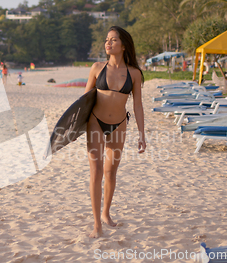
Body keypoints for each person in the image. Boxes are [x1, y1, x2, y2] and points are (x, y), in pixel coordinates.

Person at [83, 26, 146, 238]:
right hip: (95, 123)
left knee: (110, 172)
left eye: (113, 40)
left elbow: (137, 105)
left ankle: (105, 214)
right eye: (107, 40)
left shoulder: (134, 73)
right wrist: (73, 128)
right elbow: (83, 101)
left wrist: (142, 134)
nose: (108, 43)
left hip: (119, 125)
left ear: (124, 45)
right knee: (96, 172)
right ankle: (96, 225)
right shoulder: (97, 68)